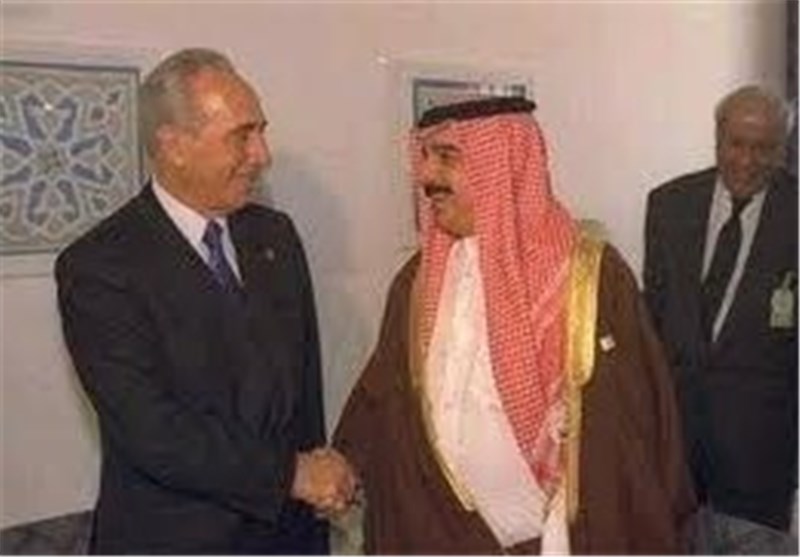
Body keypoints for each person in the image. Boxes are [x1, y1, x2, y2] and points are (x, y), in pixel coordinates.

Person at [333, 97, 695, 554]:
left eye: (446, 157)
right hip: (439, 539)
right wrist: (339, 464)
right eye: (424, 157)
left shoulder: (591, 280)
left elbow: (629, 431)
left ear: (503, 166)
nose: (426, 176)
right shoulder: (415, 283)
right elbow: (383, 397)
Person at [55, 48, 356, 554]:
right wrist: (290, 475)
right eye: (242, 135)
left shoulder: (275, 236)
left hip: (286, 533)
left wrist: (318, 491)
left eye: (261, 131)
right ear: (173, 145)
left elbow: (303, 395)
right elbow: (152, 431)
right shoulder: (100, 266)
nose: (262, 155)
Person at [644, 85, 797, 553]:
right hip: (675, 457)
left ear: (784, 148)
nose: (747, 161)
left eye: (764, 148)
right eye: (737, 144)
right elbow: (654, 324)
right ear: (717, 138)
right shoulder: (668, 205)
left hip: (760, 463)